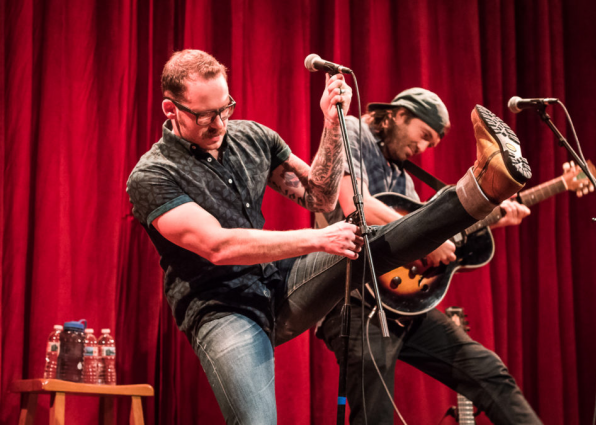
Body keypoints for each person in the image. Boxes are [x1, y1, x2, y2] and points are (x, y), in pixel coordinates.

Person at [126, 50, 531, 424]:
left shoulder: (252, 138)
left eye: (225, 108)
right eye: (204, 115)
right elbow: (218, 246)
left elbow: (319, 194)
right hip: (222, 309)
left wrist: (332, 124)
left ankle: (481, 189)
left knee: (364, 240)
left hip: (278, 284)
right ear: (170, 108)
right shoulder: (152, 175)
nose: (219, 124)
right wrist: (316, 240)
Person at [316, 88, 542, 424]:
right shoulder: (354, 131)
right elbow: (352, 202)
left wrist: (488, 219)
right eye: (423, 135)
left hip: (403, 307)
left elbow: (420, 253)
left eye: (431, 144)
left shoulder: (405, 180)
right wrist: (426, 239)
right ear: (398, 114)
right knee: (374, 414)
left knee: (489, 373)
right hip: (354, 297)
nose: (422, 148)